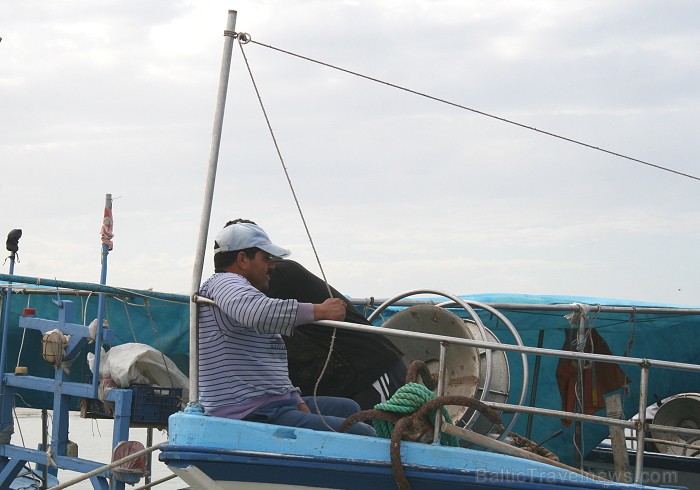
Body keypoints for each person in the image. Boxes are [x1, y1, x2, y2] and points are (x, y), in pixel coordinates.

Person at [197, 219, 375, 436]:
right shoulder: (225, 283)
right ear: (242, 259)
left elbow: (269, 363)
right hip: (250, 412)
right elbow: (257, 312)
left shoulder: (243, 293)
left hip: (270, 404)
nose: (272, 266)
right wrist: (321, 311)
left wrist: (294, 397)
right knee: (363, 433)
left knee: (350, 408)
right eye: (266, 258)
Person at [267, 258, 407, 410]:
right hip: (333, 386)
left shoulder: (277, 275)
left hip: (370, 372)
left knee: (377, 430)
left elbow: (250, 310)